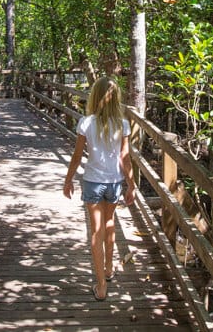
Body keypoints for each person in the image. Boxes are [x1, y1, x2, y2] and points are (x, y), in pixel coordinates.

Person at [63, 77, 136, 301]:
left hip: (93, 180)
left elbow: (77, 156)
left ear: (95, 96)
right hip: (114, 181)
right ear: (116, 99)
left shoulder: (86, 122)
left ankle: (102, 285)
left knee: (96, 230)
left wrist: (68, 180)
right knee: (110, 222)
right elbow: (125, 158)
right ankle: (108, 268)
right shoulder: (122, 124)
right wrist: (131, 185)